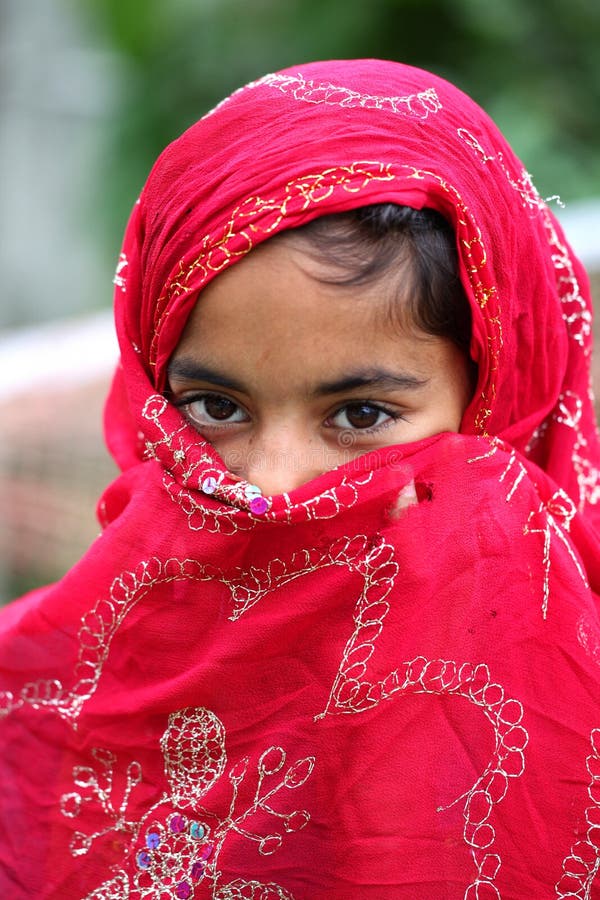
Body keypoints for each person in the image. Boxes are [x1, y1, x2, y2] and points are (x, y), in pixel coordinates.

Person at [0, 58, 599, 899]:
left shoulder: (576, 704)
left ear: (497, 397)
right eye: (214, 408)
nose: (272, 487)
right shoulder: (44, 697)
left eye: (359, 416)